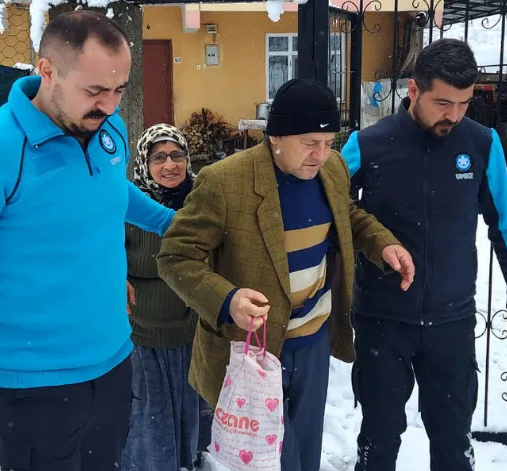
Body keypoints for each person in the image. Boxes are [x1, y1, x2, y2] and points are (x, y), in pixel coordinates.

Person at [0, 10, 176, 471]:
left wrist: (170, 223)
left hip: (113, 365)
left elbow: (107, 188)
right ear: (47, 71)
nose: (109, 106)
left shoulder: (107, 129)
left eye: (118, 90)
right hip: (33, 386)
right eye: (94, 91)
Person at [156, 78, 415, 471]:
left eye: (328, 143)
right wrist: (227, 299)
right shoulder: (224, 182)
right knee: (271, 462)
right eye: (310, 143)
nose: (320, 154)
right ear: (275, 136)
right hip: (251, 351)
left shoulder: (332, 168)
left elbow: (346, 215)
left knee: (304, 455)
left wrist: (382, 244)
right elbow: (176, 256)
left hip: (311, 345)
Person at [341, 38, 507, 471]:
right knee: (379, 437)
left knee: (452, 440)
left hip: (450, 320)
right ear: (414, 91)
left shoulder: (481, 144)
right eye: (443, 102)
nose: (454, 114)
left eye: (464, 103)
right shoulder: (367, 144)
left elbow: (506, 222)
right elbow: (330, 209)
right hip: (382, 319)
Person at [121, 123, 212, 470]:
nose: (169, 164)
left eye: (177, 155)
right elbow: (106, 253)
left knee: (193, 417)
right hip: (143, 335)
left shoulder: (202, 201)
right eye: (158, 157)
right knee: (151, 421)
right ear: (145, 163)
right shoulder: (129, 207)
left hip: (193, 334)